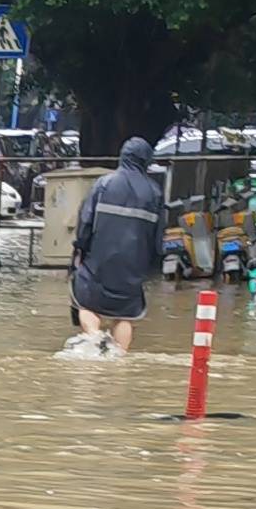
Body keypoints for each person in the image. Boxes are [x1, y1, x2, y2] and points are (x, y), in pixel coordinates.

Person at [69, 134, 167, 355]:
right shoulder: (155, 193)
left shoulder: (104, 184)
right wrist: (152, 264)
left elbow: (85, 220)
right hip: (133, 265)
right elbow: (159, 235)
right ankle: (119, 357)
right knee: (125, 315)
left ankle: (95, 338)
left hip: (99, 260)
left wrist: (80, 247)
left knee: (86, 303)